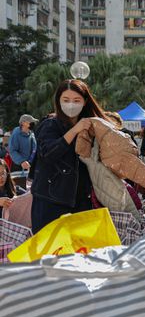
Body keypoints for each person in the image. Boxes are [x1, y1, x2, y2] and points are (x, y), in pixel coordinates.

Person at [30, 79, 108, 233]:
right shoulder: (50, 124)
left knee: (78, 253)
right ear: (58, 101)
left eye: (76, 100)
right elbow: (48, 154)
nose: (71, 104)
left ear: (85, 101)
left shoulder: (91, 126)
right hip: (50, 201)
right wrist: (74, 131)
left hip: (81, 201)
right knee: (50, 253)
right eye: (66, 100)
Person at [9, 114, 38, 188]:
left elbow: (35, 148)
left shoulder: (31, 133)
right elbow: (12, 150)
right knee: (19, 190)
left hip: (30, 166)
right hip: (18, 166)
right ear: (23, 123)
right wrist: (21, 161)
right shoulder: (16, 134)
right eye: (30, 122)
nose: (32, 123)